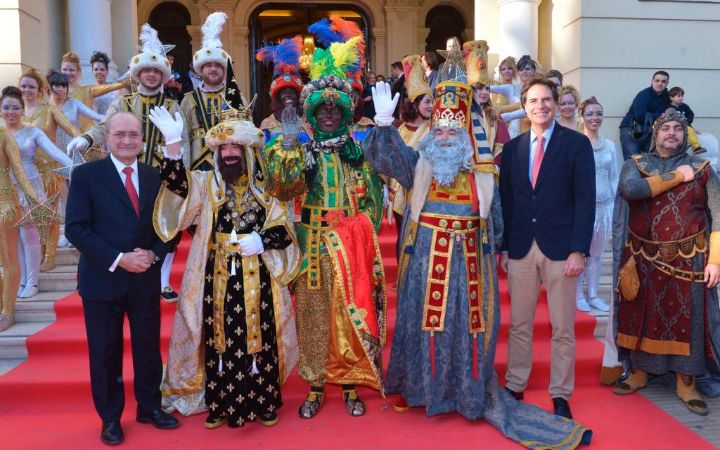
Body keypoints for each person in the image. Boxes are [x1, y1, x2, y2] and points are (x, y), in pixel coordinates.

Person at [364, 79, 592, 449]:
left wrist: (501, 250)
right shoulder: (417, 163)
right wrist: (386, 126)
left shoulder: (483, 174)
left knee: (465, 330)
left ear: (466, 134)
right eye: (438, 130)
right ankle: (425, 391)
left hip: (470, 268)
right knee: (429, 327)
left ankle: (466, 393)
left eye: (452, 131)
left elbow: (498, 219)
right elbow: (385, 159)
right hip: (426, 264)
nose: (444, 137)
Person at [150, 105, 300, 428]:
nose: (230, 154)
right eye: (224, 148)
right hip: (217, 274)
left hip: (258, 274)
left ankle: (264, 401)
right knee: (221, 336)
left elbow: (284, 226)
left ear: (246, 150)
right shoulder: (206, 183)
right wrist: (173, 145)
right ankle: (220, 402)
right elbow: (178, 188)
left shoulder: (266, 185)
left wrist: (262, 240)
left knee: (260, 334)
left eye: (235, 147)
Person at [264, 35, 385, 419]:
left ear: (344, 115)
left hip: (347, 244)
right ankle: (316, 384)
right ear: (312, 116)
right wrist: (287, 148)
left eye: (335, 110)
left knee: (347, 315)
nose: (329, 115)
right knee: (313, 314)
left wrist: (357, 230)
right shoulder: (299, 148)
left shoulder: (358, 154)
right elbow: (283, 189)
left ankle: (348, 383)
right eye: (323, 111)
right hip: (311, 243)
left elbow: (374, 205)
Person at [65, 112, 179, 445]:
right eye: (120, 134)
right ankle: (110, 418)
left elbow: (168, 223)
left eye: (133, 135)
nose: (127, 140)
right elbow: (76, 228)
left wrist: (154, 254)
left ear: (142, 140)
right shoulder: (86, 175)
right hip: (103, 279)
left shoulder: (154, 175)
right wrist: (119, 259)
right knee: (105, 352)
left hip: (144, 277)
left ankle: (149, 407)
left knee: (147, 347)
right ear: (107, 138)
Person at [67, 24, 190, 301]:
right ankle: (102, 273)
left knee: (165, 230)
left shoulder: (173, 106)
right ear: (138, 73)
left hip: (161, 178)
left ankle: (163, 281)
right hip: (125, 177)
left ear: (162, 75)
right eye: (146, 70)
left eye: (155, 71)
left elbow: (184, 142)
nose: (150, 74)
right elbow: (104, 126)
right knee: (113, 224)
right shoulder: (125, 102)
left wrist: (186, 175)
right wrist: (86, 139)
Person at [612, 108, 720, 415]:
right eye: (665, 128)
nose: (671, 132)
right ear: (655, 135)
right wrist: (676, 177)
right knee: (641, 318)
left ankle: (686, 384)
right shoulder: (636, 164)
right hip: (641, 258)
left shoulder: (702, 169)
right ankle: (639, 373)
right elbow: (631, 191)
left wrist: (716, 260)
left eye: (677, 128)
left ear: (685, 135)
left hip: (689, 259)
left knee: (687, 322)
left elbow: (719, 216)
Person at [499, 77, 596, 419]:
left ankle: (560, 394)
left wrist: (579, 250)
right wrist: (505, 247)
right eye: (533, 101)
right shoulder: (512, 149)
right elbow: (507, 202)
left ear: (555, 103)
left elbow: (586, 201)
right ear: (524, 107)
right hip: (522, 248)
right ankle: (514, 384)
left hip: (562, 249)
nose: (540, 106)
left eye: (546, 100)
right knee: (520, 324)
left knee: (562, 327)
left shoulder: (576, 145)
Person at [1, 86, 72, 299]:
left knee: (29, 237)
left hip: (30, 189)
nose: (11, 111)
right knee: (12, 240)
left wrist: (78, 167)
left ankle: (32, 281)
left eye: (15, 107)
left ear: (22, 109)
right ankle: (20, 280)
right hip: (6, 192)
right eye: (6, 107)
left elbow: (55, 152)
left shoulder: (33, 132)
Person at [19, 68, 80, 270]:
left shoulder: (49, 110)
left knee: (49, 213)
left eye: (31, 86)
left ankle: (50, 256)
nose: (27, 90)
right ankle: (36, 254)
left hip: (49, 171)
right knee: (30, 215)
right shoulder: (15, 112)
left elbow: (70, 128)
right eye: (24, 86)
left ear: (40, 89)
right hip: (23, 172)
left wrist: (81, 140)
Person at [181, 12, 245, 171]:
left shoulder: (235, 96)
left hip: (229, 164)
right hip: (197, 167)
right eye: (208, 65)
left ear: (224, 70)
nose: (213, 69)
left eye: (218, 66)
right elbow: (183, 137)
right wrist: (186, 171)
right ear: (200, 70)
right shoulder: (188, 100)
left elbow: (245, 133)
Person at [575, 97, 616, 313]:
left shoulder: (609, 145)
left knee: (596, 254)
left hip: (604, 207)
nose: (595, 118)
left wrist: (613, 204)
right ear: (582, 117)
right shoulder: (575, 144)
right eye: (590, 114)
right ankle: (578, 295)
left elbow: (613, 177)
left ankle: (593, 294)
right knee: (580, 252)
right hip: (582, 209)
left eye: (598, 113)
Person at [388, 54, 433, 240]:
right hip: (401, 195)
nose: (432, 106)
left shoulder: (436, 129)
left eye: (433, 101)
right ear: (415, 104)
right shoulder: (400, 129)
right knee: (403, 241)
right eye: (427, 102)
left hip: (428, 195)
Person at [0, 121, 39, 332]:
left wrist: (33, 198)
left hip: (4, 204)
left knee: (8, 259)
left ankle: (8, 312)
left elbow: (19, 170)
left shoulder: (4, 134)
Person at [464, 40, 510, 167]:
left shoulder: (494, 115)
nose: (484, 92)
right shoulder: (463, 115)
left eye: (486, 88)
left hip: (489, 173)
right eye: (479, 88)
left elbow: (502, 146)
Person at [60, 51, 128, 131]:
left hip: (99, 131)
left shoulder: (87, 91)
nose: (68, 73)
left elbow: (117, 87)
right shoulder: (56, 92)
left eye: (71, 70)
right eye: (96, 69)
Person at [618, 70, 670, 159]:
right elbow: (640, 116)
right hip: (631, 130)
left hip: (651, 131)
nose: (660, 83)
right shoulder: (643, 95)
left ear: (667, 83)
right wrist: (660, 115)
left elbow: (673, 113)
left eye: (663, 81)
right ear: (652, 81)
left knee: (654, 161)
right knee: (633, 161)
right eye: (657, 80)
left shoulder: (667, 97)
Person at [47, 71, 104, 151]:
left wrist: (115, 118)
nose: (60, 89)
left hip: (73, 150)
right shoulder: (44, 107)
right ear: (50, 87)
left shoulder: (73, 103)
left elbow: (97, 116)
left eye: (63, 86)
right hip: (51, 153)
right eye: (57, 85)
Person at [490, 55, 540, 138]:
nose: (524, 72)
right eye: (521, 69)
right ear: (517, 72)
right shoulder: (510, 88)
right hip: (513, 132)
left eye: (527, 69)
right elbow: (485, 88)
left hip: (533, 129)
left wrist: (503, 116)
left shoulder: (539, 90)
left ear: (533, 70)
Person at [668, 86, 705, 154]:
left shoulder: (684, 106)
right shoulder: (668, 107)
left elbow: (690, 114)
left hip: (685, 124)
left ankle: (696, 147)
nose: (681, 98)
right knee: (686, 130)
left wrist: (688, 122)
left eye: (682, 96)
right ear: (671, 97)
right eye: (678, 96)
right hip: (673, 126)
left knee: (691, 131)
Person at [491, 56, 522, 138]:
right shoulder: (495, 88)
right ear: (500, 72)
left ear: (514, 71)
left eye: (509, 68)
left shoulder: (518, 88)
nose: (506, 71)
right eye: (503, 69)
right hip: (497, 126)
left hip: (514, 126)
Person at [90, 51, 122, 115]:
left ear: (107, 71)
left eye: (102, 69)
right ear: (92, 72)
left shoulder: (115, 91)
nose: (99, 72)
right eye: (96, 69)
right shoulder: (89, 91)